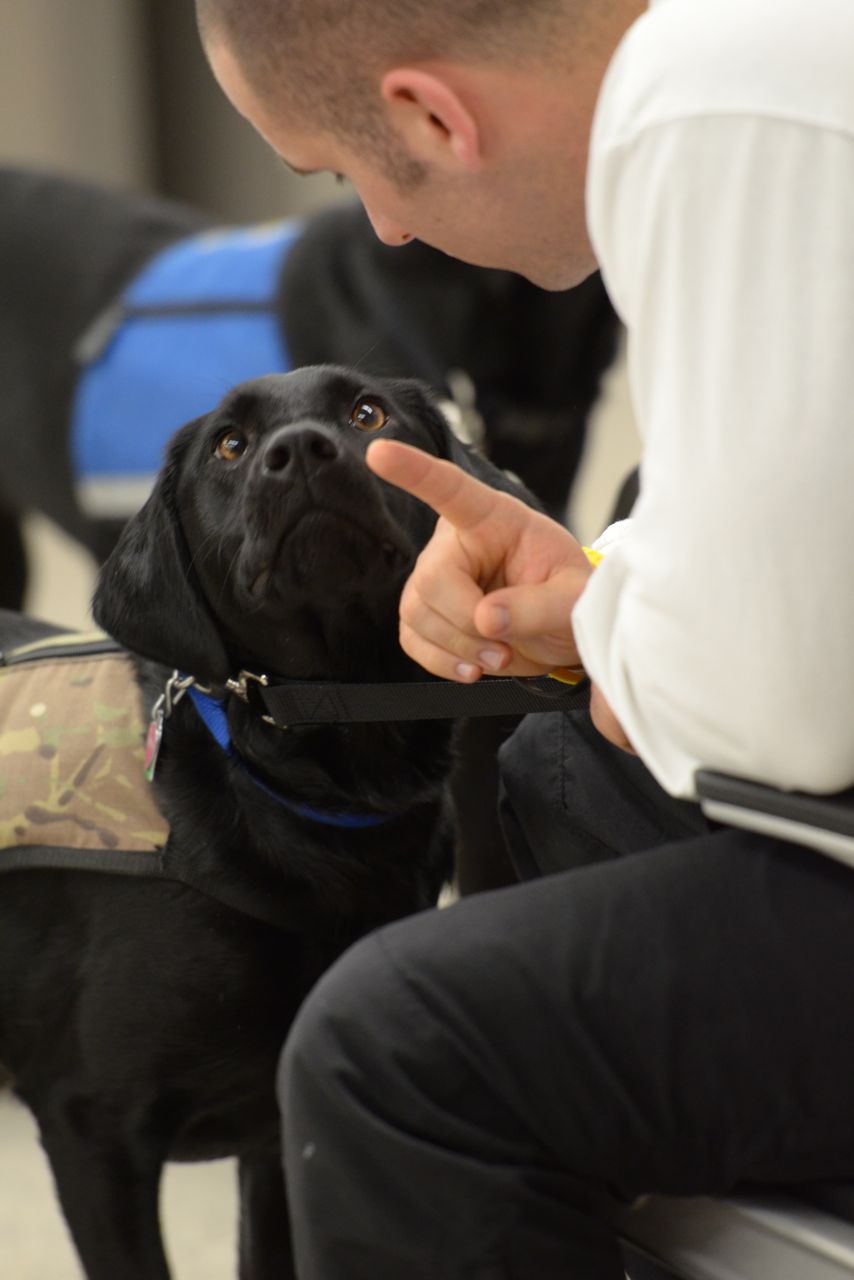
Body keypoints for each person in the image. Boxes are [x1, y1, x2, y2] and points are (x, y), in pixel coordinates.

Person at [195, 0, 854, 1275]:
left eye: (344, 174)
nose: (382, 228)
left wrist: (608, 625)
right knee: (557, 767)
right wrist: (599, 583)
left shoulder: (705, 99)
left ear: (432, 116)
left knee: (389, 1047)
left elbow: (777, 715)